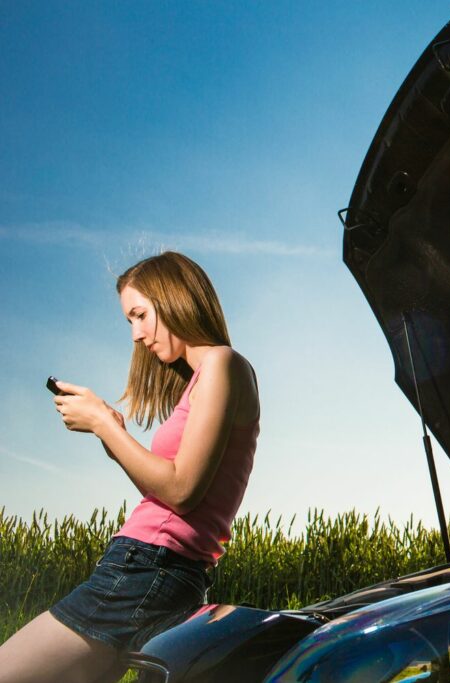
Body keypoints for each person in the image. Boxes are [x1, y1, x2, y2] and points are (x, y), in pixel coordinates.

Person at [0, 252, 260, 683]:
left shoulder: (222, 363)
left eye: (141, 315)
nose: (137, 335)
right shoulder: (206, 376)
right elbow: (171, 490)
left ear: (174, 298)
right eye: (129, 322)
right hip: (159, 571)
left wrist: (104, 424)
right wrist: (114, 437)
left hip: (148, 568)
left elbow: (181, 491)